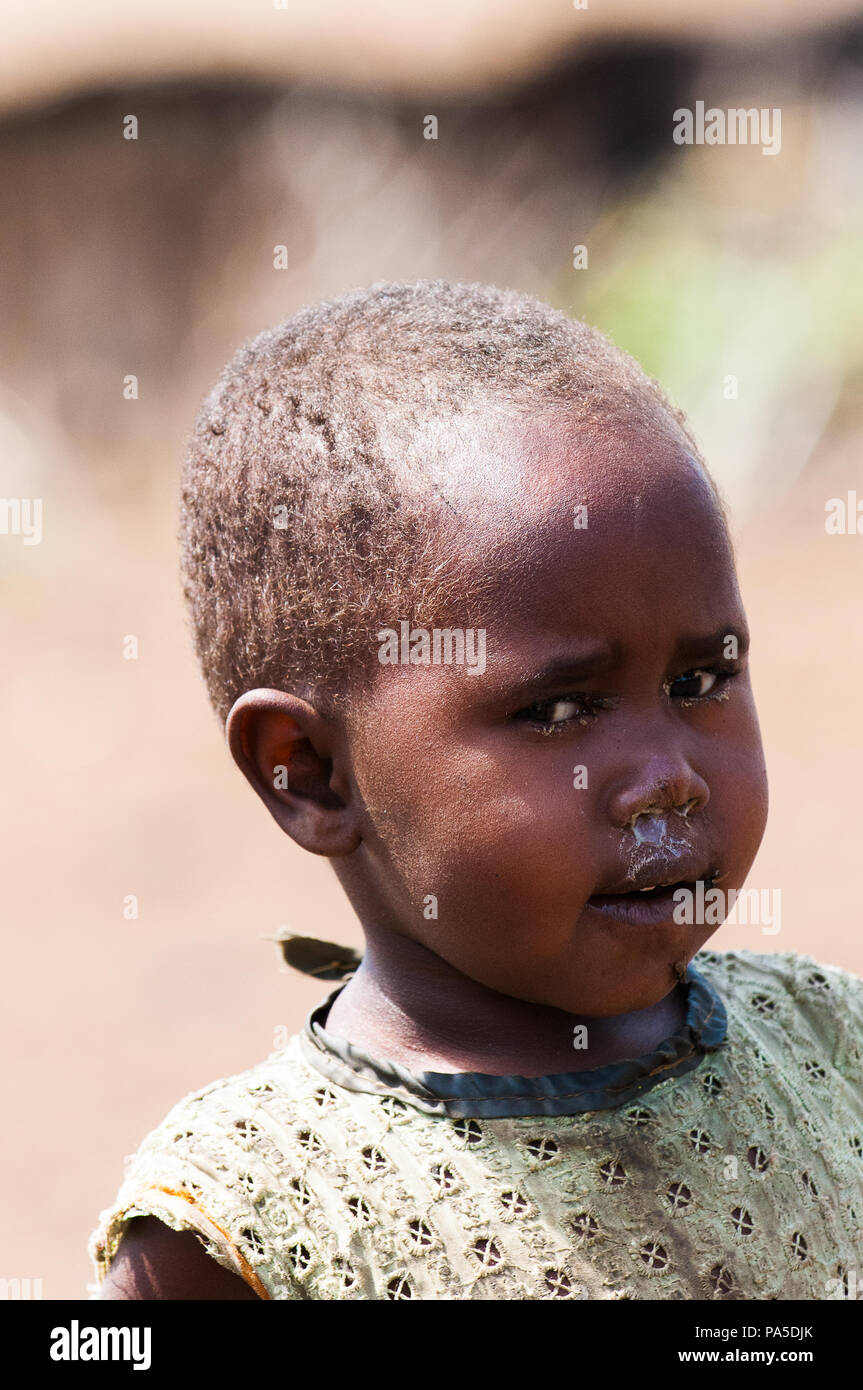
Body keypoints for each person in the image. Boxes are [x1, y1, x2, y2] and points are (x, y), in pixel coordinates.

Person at [90, 280, 863, 1300]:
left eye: (697, 681)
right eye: (557, 711)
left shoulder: (828, 1042)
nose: (665, 778)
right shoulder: (244, 1221)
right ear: (308, 771)